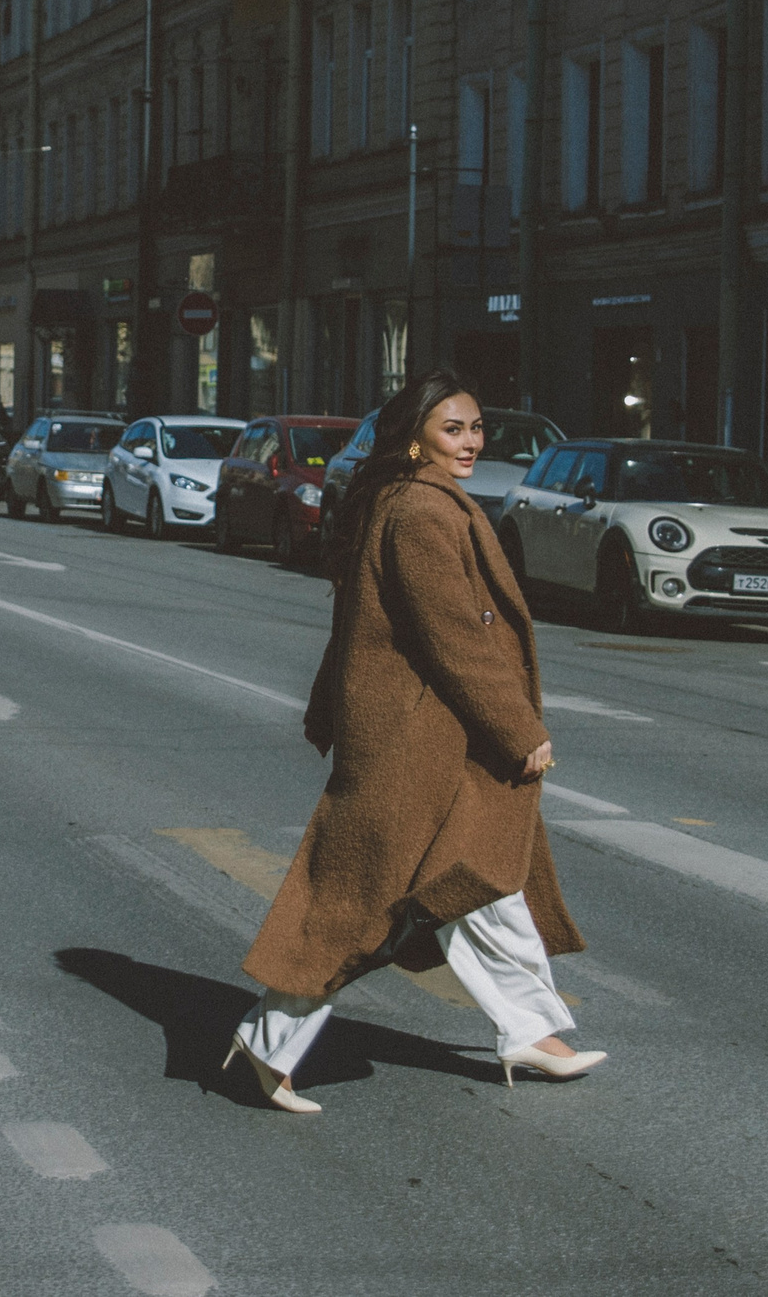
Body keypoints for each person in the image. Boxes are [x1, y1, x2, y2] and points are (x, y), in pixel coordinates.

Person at [227, 369, 605, 1113]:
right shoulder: (422, 515)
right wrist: (520, 730)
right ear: (413, 439)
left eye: (475, 428)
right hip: (418, 742)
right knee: (362, 905)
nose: (470, 442)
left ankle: (531, 1029)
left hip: (431, 736)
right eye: (453, 429)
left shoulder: (410, 502)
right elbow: (455, 639)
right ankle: (267, 1044)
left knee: (481, 880)